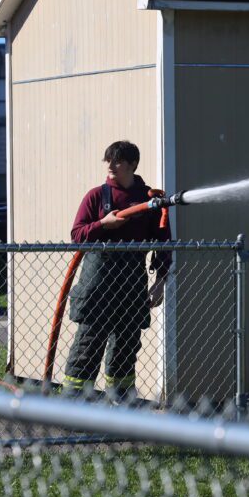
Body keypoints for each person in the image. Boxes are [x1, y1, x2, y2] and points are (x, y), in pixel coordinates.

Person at [62, 140, 171, 398]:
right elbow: (77, 235)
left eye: (118, 161)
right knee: (87, 346)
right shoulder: (96, 197)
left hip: (132, 283)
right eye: (108, 160)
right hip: (97, 284)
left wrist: (160, 283)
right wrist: (103, 225)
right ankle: (73, 406)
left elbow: (165, 245)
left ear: (133, 165)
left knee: (126, 346)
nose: (110, 165)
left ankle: (122, 403)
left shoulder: (150, 201)